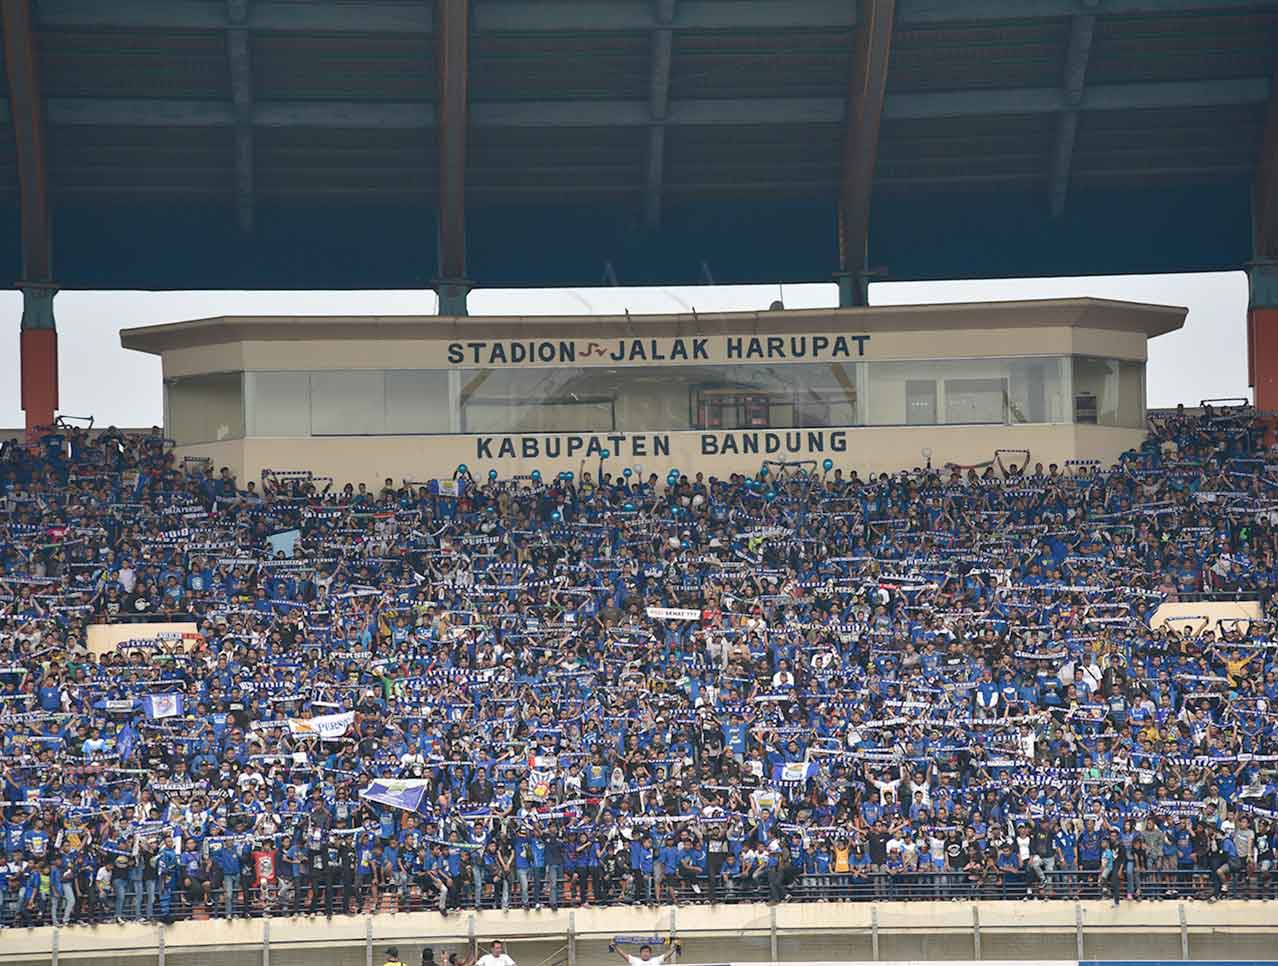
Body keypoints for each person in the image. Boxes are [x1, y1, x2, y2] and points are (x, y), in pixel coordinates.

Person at [611, 937, 681, 966]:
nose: (645, 953)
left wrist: (675, 947)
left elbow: (667, 954)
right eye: (643, 952)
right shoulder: (635, 960)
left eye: (647, 952)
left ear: (650, 953)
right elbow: (623, 954)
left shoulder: (656, 960)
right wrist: (615, 946)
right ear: (640, 953)